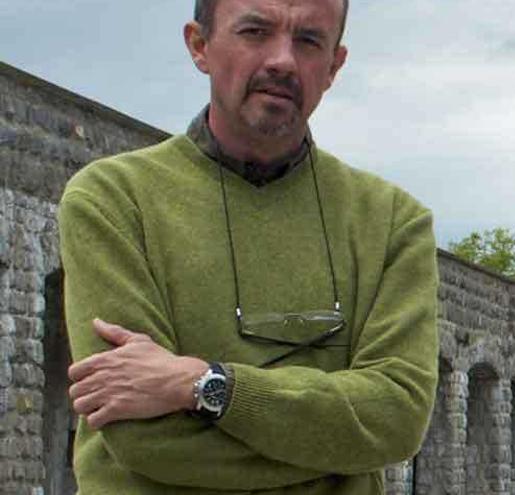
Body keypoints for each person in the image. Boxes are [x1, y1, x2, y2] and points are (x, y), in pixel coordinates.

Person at [58, 0, 439, 493]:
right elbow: (144, 440)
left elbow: (395, 420)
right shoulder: (112, 201)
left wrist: (198, 385)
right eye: (255, 31)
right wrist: (336, 449)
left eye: (308, 40)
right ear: (199, 45)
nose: (282, 60)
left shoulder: (392, 223)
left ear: (334, 66)